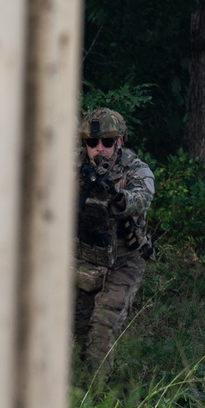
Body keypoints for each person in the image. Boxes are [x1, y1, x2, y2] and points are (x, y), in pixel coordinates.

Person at [74, 107, 155, 372]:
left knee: (103, 328)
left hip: (124, 259)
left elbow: (141, 198)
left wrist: (115, 196)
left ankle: (96, 393)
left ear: (119, 142)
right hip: (84, 258)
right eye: (92, 142)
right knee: (77, 329)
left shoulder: (135, 169)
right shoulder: (74, 164)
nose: (99, 148)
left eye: (107, 142)